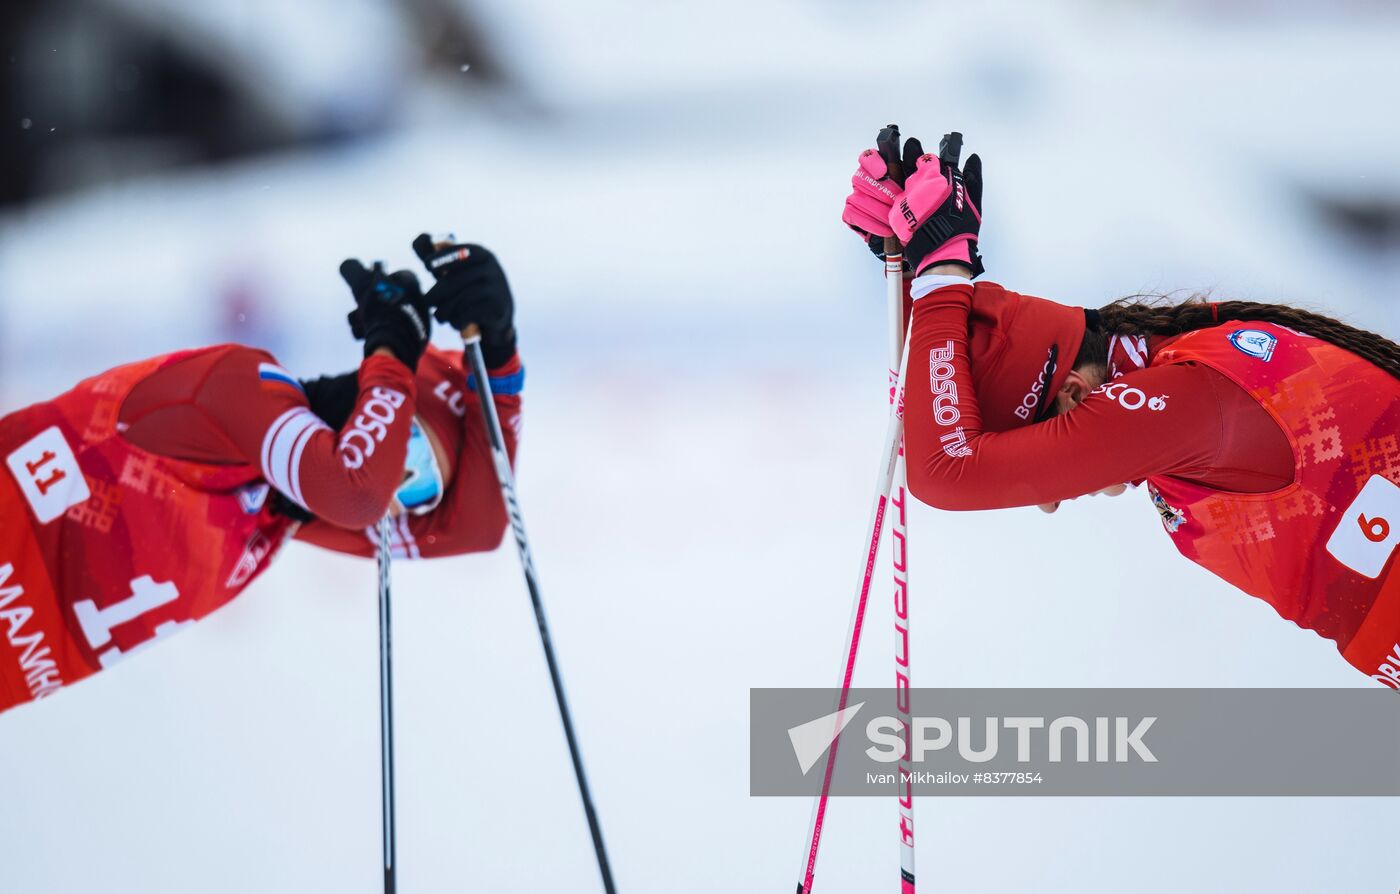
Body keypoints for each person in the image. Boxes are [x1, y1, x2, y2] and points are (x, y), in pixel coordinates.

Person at [842, 135, 1400, 687]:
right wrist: (919, 268)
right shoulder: (1186, 369)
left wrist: (941, 280)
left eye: (1041, 465)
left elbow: (947, 472)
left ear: (1076, 397)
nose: (1052, 500)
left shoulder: (1183, 401)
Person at [0, 236, 523, 713]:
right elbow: (356, 490)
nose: (393, 486)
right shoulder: (241, 385)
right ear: (367, 400)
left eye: (418, 486)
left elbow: (478, 526)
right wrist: (392, 352)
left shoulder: (276, 515)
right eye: (404, 445)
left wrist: (499, 359)